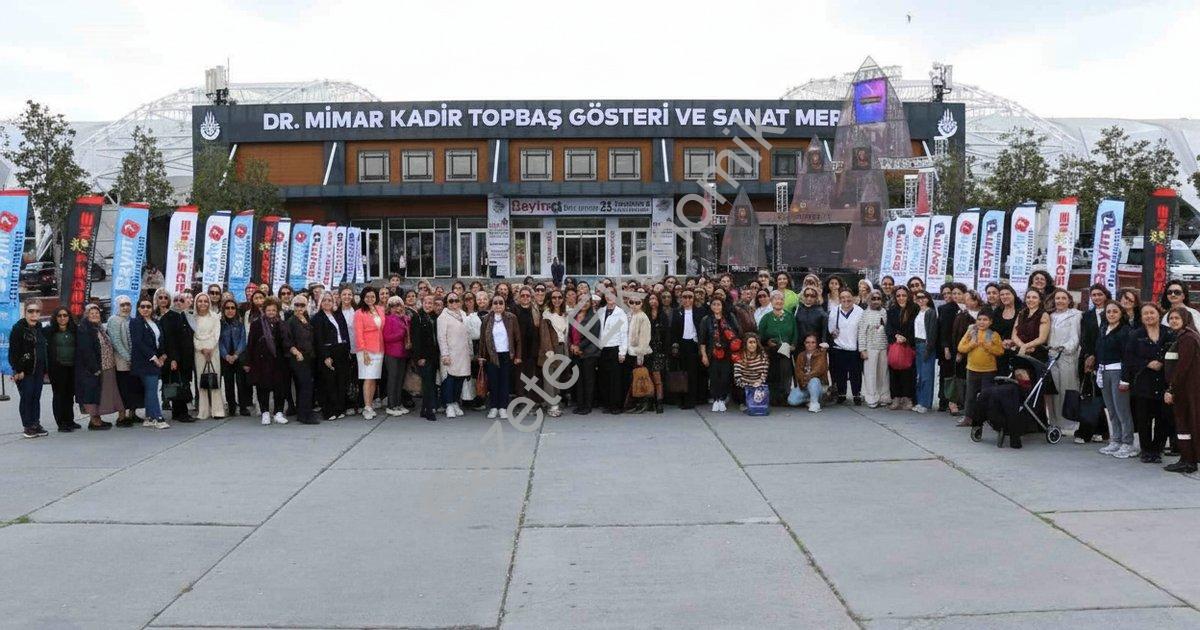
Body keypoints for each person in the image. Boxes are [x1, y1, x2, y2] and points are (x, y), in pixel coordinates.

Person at [1122, 303, 1172, 463]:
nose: (1149, 316)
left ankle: (1157, 450)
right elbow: (1129, 358)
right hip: (1143, 382)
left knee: (1162, 419)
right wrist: (1147, 363)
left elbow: (1175, 354)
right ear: (1141, 317)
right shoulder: (1136, 335)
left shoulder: (1169, 333)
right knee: (1143, 419)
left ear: (1158, 314)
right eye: (1145, 314)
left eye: (1152, 313)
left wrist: (1162, 362)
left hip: (1164, 382)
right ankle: (1146, 450)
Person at [1096, 301, 1136, 458]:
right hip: (1104, 371)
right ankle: (1116, 440)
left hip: (1118, 372)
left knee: (1122, 410)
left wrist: (1125, 379)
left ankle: (1128, 443)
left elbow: (1128, 356)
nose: (1111, 314)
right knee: (1111, 410)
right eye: (1108, 312)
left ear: (1121, 314)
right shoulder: (1103, 329)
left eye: (1114, 311)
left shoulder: (1126, 331)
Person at [76, 304, 124, 430]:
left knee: (101, 394)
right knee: (93, 393)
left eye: (97, 313)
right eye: (91, 313)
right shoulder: (84, 329)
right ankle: (94, 420)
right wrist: (94, 368)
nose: (95, 315)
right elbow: (86, 351)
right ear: (86, 315)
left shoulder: (100, 328)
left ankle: (98, 419)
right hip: (95, 369)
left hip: (107, 366)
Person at [1164, 306, 1200, 472]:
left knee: (1185, 423)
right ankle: (1186, 458)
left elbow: (1182, 367)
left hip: (1186, 390)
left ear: (1185, 319)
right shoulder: (1183, 337)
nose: (1173, 321)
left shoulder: (1188, 338)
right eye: (1171, 318)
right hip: (1185, 389)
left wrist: (1171, 389)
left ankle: (1189, 460)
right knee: (1184, 424)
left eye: (1177, 318)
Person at [957, 308, 1004, 433]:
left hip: (988, 370)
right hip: (972, 369)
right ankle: (968, 417)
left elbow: (1000, 351)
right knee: (970, 395)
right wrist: (971, 344)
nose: (982, 322)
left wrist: (988, 346)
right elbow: (961, 347)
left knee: (985, 395)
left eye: (985, 320)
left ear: (990, 322)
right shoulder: (971, 332)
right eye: (979, 319)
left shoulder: (994, 335)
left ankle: (986, 418)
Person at [1076, 284, 1112, 443]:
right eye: (1094, 295)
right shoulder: (1087, 315)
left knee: (1099, 396)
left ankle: (1098, 430)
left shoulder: (1112, 312)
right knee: (1090, 396)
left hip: (1106, 358)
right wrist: (1089, 356)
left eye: (1099, 294)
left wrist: (1097, 356)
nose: (1096, 297)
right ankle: (1090, 431)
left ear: (1106, 295)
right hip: (1088, 359)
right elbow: (1084, 338)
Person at [247, 298, 289, 426]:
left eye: (274, 310)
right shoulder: (256, 324)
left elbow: (285, 342)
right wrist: (248, 362)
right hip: (261, 361)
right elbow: (251, 344)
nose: (271, 312)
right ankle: (265, 412)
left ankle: (278, 412)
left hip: (278, 361)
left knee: (279, 387)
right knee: (262, 387)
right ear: (264, 310)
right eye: (269, 310)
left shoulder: (281, 324)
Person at [11, 299, 49, 437]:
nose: (34, 314)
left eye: (37, 311)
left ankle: (35, 423)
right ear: (25, 312)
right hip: (24, 371)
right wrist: (17, 369)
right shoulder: (18, 328)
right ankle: (28, 426)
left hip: (38, 370)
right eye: (30, 311)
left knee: (35, 397)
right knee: (26, 397)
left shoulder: (39, 327)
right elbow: (13, 352)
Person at [129, 298, 169, 429]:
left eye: (148, 306)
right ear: (138, 308)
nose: (145, 309)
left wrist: (163, 354)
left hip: (156, 360)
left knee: (150, 390)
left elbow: (160, 340)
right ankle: (158, 417)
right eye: (143, 306)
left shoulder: (155, 322)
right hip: (144, 361)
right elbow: (138, 342)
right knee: (152, 390)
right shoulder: (135, 322)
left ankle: (150, 417)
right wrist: (153, 357)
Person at [479, 295, 520, 419]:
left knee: (504, 381)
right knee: (493, 382)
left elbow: (517, 338)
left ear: (504, 305)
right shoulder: (486, 319)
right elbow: (482, 339)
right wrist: (481, 356)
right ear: (491, 305)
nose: (498, 305)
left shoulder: (511, 318)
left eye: (500, 303)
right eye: (495, 303)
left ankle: (503, 407)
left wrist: (518, 355)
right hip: (492, 355)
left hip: (507, 354)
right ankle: (493, 407)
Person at [1046, 288, 1081, 431]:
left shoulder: (1075, 315)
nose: (1060, 301)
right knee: (1054, 391)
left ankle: (1069, 423)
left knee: (1067, 389)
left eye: (1063, 298)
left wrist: (1065, 348)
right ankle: (1055, 421)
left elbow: (1076, 337)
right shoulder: (1050, 316)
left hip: (1067, 357)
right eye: (1057, 298)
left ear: (1069, 300)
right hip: (1051, 357)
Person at [313, 293, 352, 421]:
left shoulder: (338, 315)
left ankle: (339, 409)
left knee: (341, 381)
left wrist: (348, 350)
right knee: (328, 382)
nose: (327, 302)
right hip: (328, 352)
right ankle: (329, 411)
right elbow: (318, 339)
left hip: (341, 350)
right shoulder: (317, 318)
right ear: (320, 302)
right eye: (324, 300)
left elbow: (345, 333)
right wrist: (326, 356)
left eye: (330, 300)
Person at [282, 294, 319, 424]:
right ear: (293, 306)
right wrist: (296, 352)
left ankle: (304, 411)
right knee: (306, 385)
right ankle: (304, 415)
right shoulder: (291, 321)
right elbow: (287, 341)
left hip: (309, 357)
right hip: (298, 358)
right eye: (297, 305)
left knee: (306, 386)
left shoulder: (307, 319)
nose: (299, 308)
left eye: (302, 305)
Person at [159, 292, 195, 422]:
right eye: (176, 300)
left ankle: (177, 412)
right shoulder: (168, 317)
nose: (178, 302)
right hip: (175, 358)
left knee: (183, 383)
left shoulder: (186, 316)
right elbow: (169, 341)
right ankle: (182, 413)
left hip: (186, 358)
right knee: (178, 384)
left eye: (181, 300)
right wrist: (172, 359)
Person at [107, 296, 143, 427]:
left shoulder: (131, 320)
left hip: (134, 362)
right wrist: (128, 358)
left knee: (134, 388)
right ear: (118, 306)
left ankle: (132, 414)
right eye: (122, 305)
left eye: (128, 304)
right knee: (122, 389)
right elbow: (116, 342)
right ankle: (121, 417)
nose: (126, 307)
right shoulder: (114, 320)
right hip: (121, 362)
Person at [700, 296, 739, 412]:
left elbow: (736, 332)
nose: (716, 307)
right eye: (714, 304)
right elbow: (702, 340)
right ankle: (716, 399)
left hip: (728, 353)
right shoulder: (706, 320)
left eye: (719, 304)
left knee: (725, 377)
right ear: (711, 306)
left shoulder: (729, 317)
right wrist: (704, 355)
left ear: (722, 306)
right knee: (714, 377)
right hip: (712, 353)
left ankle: (722, 398)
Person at [757, 290, 797, 406]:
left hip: (786, 350)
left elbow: (795, 333)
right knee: (772, 372)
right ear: (771, 301)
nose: (778, 301)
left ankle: (785, 395)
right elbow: (760, 336)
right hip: (771, 351)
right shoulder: (766, 318)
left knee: (785, 371)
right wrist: (767, 342)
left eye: (781, 299)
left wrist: (793, 345)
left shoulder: (790, 316)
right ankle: (773, 397)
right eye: (776, 299)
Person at [191, 293, 226, 420]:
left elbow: (216, 334)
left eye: (205, 301)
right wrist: (201, 348)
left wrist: (209, 348)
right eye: (200, 301)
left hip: (213, 351)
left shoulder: (215, 317)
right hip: (199, 352)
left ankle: (218, 411)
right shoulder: (192, 318)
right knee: (202, 381)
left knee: (214, 380)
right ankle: (203, 411)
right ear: (196, 303)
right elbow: (194, 336)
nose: (203, 303)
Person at [437, 291, 472, 418]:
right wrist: (445, 354)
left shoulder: (463, 314)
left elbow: (468, 334)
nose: (454, 303)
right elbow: (441, 337)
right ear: (447, 303)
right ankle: (448, 404)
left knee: (460, 379)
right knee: (449, 380)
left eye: (456, 300)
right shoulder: (443, 316)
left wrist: (470, 352)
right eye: (451, 301)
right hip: (450, 354)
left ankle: (456, 402)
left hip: (463, 354)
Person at [949, 290, 982, 420]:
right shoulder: (961, 315)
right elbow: (956, 335)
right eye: (966, 299)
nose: (966, 301)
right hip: (965, 351)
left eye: (969, 299)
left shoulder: (984, 313)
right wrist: (959, 352)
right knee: (962, 378)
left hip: (982, 352)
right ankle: (958, 403)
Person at [46, 306, 80, 432]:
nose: (62, 318)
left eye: (65, 315)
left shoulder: (75, 330)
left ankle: (70, 420)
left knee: (70, 394)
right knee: (59, 395)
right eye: (59, 316)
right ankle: (61, 423)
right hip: (57, 368)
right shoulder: (49, 332)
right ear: (55, 318)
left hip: (72, 367)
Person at [353, 287, 385, 419]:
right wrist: (363, 350)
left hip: (379, 348)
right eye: (367, 297)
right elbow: (358, 333)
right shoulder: (359, 313)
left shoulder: (380, 309)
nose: (370, 299)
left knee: (374, 378)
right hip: (366, 349)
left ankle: (370, 404)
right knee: (368, 377)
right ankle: (367, 407)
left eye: (372, 296)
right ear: (363, 298)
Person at [829, 289, 864, 405]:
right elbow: (831, 329)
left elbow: (863, 330)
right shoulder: (835, 311)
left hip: (854, 348)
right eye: (843, 297)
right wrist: (833, 333)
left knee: (856, 374)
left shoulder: (859, 311)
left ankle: (856, 394)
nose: (846, 300)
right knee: (840, 373)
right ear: (839, 299)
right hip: (839, 347)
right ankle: (841, 394)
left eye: (848, 297)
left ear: (853, 298)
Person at [539, 289, 570, 417]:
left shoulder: (565, 315)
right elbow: (544, 335)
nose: (557, 300)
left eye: (559, 297)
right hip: (550, 349)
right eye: (554, 297)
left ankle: (553, 402)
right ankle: (552, 406)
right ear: (550, 299)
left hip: (562, 349)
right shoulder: (546, 315)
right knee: (549, 378)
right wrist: (549, 350)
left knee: (556, 378)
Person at [672, 289, 706, 409]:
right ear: (681, 298)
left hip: (694, 344)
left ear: (693, 299)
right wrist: (675, 345)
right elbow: (674, 330)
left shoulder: (700, 312)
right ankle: (681, 398)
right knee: (682, 372)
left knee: (693, 373)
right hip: (681, 345)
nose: (687, 299)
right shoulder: (677, 312)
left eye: (690, 297)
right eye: (685, 297)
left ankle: (691, 400)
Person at [596, 290, 629, 414]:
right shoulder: (600, 311)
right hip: (603, 349)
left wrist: (622, 352)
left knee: (615, 379)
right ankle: (607, 404)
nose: (609, 297)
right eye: (607, 295)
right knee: (604, 378)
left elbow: (623, 333)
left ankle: (616, 406)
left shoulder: (620, 313)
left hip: (615, 348)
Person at [885, 286, 917, 410]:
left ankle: (908, 398)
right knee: (894, 371)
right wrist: (895, 336)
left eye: (903, 295)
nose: (901, 298)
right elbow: (889, 327)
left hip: (908, 345)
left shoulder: (914, 309)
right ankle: (896, 398)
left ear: (908, 296)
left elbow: (915, 327)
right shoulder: (892, 310)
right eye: (898, 296)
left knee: (908, 372)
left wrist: (906, 338)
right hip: (895, 344)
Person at [410, 294, 441, 421]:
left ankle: (424, 408)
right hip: (423, 357)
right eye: (426, 303)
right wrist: (419, 357)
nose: (428, 305)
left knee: (431, 383)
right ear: (422, 303)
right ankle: (429, 410)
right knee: (428, 384)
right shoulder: (418, 317)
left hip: (433, 356)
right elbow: (416, 339)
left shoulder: (435, 317)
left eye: (431, 303)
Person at [219, 299, 251, 416]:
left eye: (233, 308)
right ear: (224, 310)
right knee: (228, 383)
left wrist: (236, 355)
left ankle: (243, 407)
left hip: (239, 357)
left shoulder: (240, 324)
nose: (230, 310)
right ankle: (231, 406)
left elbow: (243, 340)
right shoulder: (220, 324)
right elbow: (219, 342)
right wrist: (226, 355)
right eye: (227, 308)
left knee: (241, 382)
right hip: (226, 358)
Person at [858, 290, 890, 409]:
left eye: (878, 298)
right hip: (870, 348)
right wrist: (862, 349)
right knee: (870, 374)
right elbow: (861, 332)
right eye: (873, 298)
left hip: (883, 347)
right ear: (869, 300)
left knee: (883, 373)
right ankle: (871, 397)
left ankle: (883, 397)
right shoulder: (865, 313)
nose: (876, 301)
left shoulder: (884, 312)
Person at [936, 284, 966, 412]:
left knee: (960, 375)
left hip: (964, 346)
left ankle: (959, 401)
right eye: (954, 294)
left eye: (959, 293)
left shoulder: (968, 307)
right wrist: (946, 348)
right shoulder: (947, 308)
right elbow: (944, 330)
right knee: (948, 374)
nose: (955, 296)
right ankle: (946, 401)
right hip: (950, 346)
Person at [512, 286, 543, 407]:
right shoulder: (514, 310)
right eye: (522, 295)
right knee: (520, 376)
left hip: (533, 348)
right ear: (519, 297)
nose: (525, 298)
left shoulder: (535, 310)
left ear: (531, 297)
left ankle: (533, 401)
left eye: (527, 295)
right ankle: (521, 401)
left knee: (532, 375)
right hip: (519, 348)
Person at [382, 296, 412, 416]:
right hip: (392, 354)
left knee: (400, 380)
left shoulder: (405, 319)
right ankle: (391, 405)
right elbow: (386, 337)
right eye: (393, 306)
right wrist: (401, 334)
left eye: (399, 305)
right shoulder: (388, 319)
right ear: (389, 308)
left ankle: (398, 403)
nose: (396, 308)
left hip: (403, 353)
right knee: (393, 379)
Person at [912, 289, 939, 414]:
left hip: (926, 345)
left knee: (927, 376)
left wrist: (929, 348)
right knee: (919, 375)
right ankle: (919, 401)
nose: (921, 299)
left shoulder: (931, 312)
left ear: (928, 299)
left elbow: (932, 332)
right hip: (917, 344)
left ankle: (925, 403)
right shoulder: (918, 312)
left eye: (923, 297)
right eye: (918, 297)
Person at [625, 294, 652, 413]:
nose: (634, 305)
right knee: (634, 380)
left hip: (639, 353)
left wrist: (640, 354)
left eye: (638, 302)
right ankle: (636, 404)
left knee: (641, 379)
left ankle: (643, 404)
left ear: (642, 303)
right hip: (629, 352)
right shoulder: (629, 315)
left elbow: (645, 338)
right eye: (632, 302)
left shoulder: (643, 317)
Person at [1009, 289, 1050, 362]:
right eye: (1028, 297)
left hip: (1036, 353)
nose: (1030, 300)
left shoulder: (1044, 315)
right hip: (1020, 351)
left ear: (1040, 300)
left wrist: (1026, 346)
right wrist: (1022, 347)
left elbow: (1042, 338)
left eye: (1034, 297)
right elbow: (1013, 335)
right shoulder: (1021, 313)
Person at [793, 333, 829, 412]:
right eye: (808, 342)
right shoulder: (801, 355)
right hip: (805, 385)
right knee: (792, 400)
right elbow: (798, 372)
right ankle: (810, 399)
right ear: (804, 343)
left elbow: (818, 371)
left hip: (818, 385)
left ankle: (815, 403)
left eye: (813, 342)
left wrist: (806, 377)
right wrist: (804, 381)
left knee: (814, 380)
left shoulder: (821, 354)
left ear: (816, 344)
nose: (810, 345)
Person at [735, 333, 769, 411]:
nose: (752, 345)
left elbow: (764, 373)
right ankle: (742, 403)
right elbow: (737, 377)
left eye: (754, 342)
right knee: (740, 392)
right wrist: (749, 386)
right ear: (745, 344)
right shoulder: (739, 356)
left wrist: (759, 382)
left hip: (758, 384)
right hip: (744, 386)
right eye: (750, 342)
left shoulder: (763, 356)